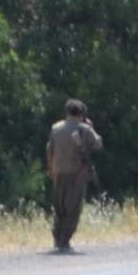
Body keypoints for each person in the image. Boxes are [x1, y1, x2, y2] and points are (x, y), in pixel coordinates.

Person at [44, 100, 101, 253]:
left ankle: (57, 238)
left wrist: (50, 168)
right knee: (73, 208)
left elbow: (49, 148)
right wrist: (90, 127)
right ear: (81, 114)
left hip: (58, 172)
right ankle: (65, 241)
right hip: (77, 173)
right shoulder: (83, 128)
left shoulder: (55, 128)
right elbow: (98, 144)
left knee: (59, 206)